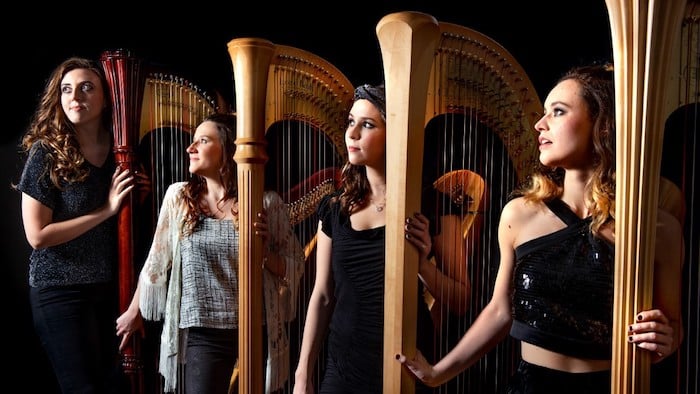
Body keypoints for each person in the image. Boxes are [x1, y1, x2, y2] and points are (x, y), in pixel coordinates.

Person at [397, 63, 684, 393]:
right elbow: (500, 310)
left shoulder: (658, 230)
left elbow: (673, 327)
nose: (539, 124)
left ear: (603, 126)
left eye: (558, 112)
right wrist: (438, 373)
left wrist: (667, 338)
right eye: (544, 112)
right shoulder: (519, 215)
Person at [293, 84, 466, 394]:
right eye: (350, 121)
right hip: (342, 364)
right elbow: (322, 295)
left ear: (396, 134)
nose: (352, 133)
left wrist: (422, 265)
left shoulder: (434, 206)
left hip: (407, 364)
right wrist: (302, 374)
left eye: (368, 124)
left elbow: (461, 302)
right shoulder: (335, 208)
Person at [115, 112, 305, 393]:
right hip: (204, 330)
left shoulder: (265, 202)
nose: (190, 149)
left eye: (202, 141)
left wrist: (262, 252)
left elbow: (294, 265)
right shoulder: (178, 197)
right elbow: (158, 259)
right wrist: (134, 311)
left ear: (228, 150)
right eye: (193, 142)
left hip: (256, 328)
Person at [15, 56, 137, 393]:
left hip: (109, 290)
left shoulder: (121, 152)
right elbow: (37, 236)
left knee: (115, 386)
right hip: (59, 291)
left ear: (106, 97)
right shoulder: (47, 152)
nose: (75, 97)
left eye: (87, 88)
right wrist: (107, 210)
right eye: (67, 90)